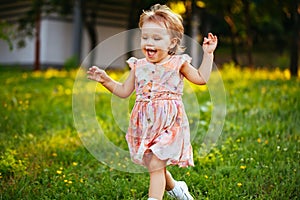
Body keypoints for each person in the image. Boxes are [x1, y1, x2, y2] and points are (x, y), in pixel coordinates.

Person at [87, 4, 218, 200]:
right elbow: (123, 92)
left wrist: (208, 55)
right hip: (146, 124)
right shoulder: (138, 66)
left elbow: (201, 78)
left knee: (156, 163)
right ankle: (177, 189)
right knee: (154, 162)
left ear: (172, 43)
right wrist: (106, 80)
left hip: (169, 123)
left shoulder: (177, 63)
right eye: (145, 37)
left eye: (157, 38)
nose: (150, 42)